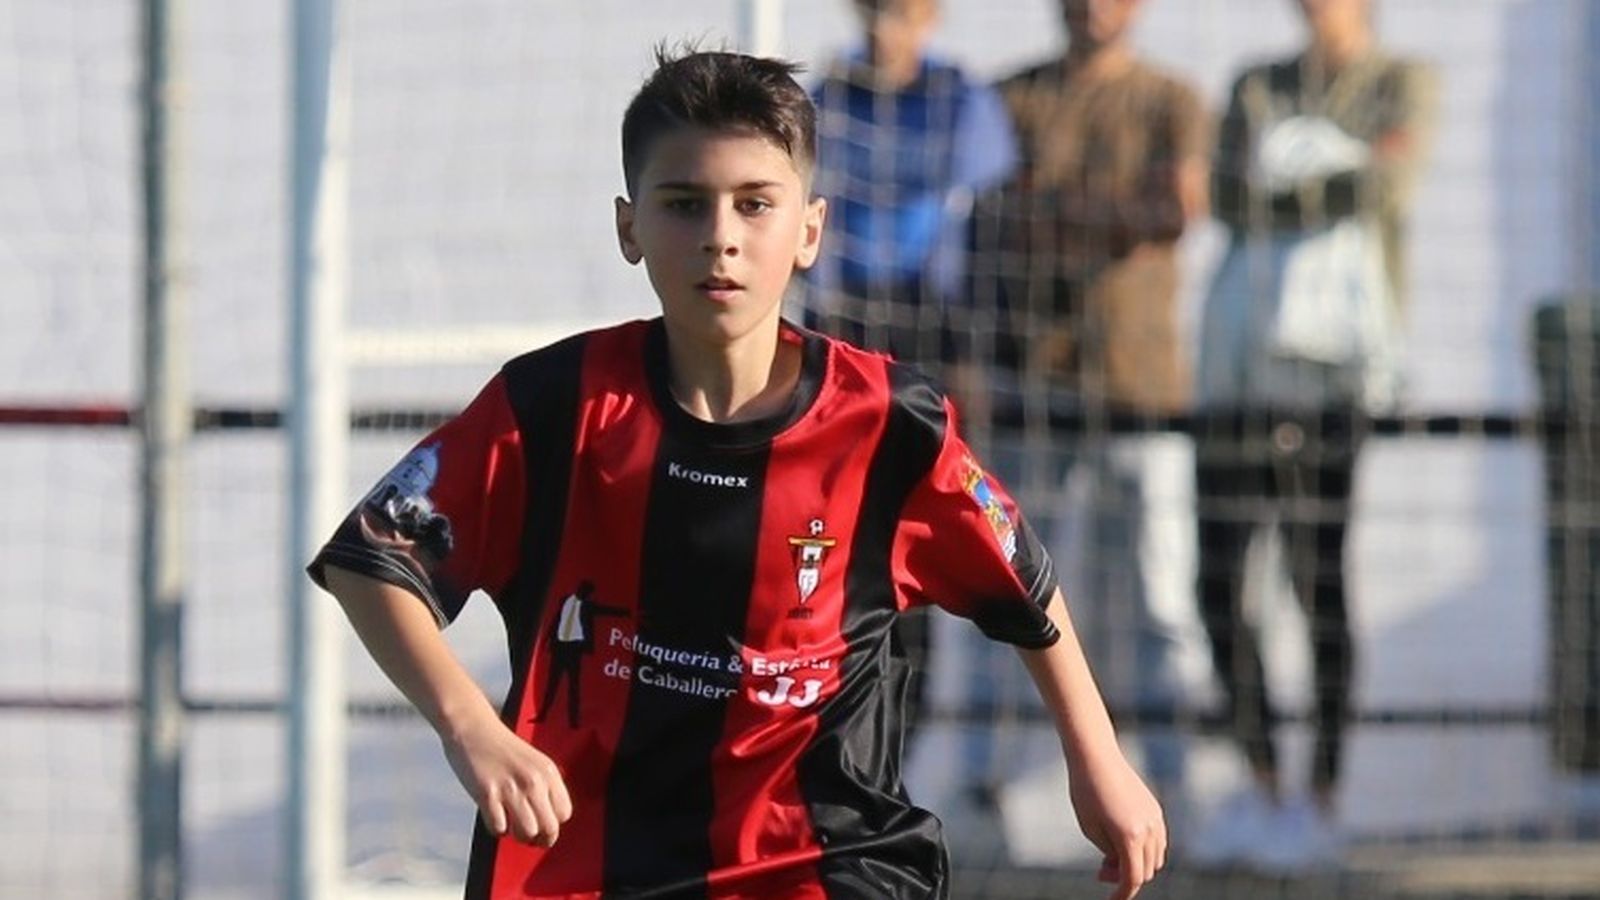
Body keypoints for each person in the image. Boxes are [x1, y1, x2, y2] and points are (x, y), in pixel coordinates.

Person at [308, 47, 1166, 899]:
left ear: (810, 230)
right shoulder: (554, 406)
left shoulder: (887, 424)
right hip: (583, 867)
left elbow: (1024, 585)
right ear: (629, 228)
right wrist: (469, 726)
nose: (721, 237)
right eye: (685, 204)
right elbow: (370, 559)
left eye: (755, 204)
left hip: (826, 866)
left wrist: (1097, 760)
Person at [1190, 0, 1437, 872]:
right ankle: (1263, 784)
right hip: (1241, 372)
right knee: (1219, 583)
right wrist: (1334, 174)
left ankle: (1322, 795)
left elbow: (1387, 187)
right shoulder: (1258, 84)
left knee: (1314, 578)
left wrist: (1283, 186)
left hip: (1331, 377)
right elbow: (1226, 199)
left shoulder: (1403, 81)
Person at [958, 0, 1211, 842]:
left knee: (1158, 596)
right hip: (1028, 387)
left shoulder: (1170, 99)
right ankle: (980, 792)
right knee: (1001, 588)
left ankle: (1174, 790)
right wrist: (1110, 213)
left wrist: (1052, 207)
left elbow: (1174, 213)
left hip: (1142, 390)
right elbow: (989, 221)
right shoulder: (1012, 98)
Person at [806, 0, 1018, 750]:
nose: (883, 26)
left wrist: (973, 353)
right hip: (840, 334)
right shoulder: (827, 102)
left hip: (930, 338)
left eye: (899, 10)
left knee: (917, 534)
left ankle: (908, 741)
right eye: (873, 9)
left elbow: (986, 227)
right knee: (832, 534)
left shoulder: (962, 103)